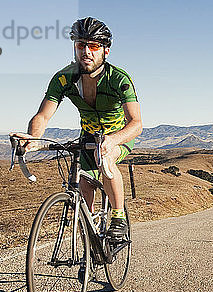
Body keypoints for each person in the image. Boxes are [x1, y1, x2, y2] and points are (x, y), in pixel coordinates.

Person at [16, 17, 142, 241]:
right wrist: (33, 137)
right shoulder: (64, 78)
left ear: (106, 51)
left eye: (94, 46)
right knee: (83, 183)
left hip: (118, 136)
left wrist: (112, 141)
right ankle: (90, 235)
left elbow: (136, 123)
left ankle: (118, 217)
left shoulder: (119, 79)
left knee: (107, 160)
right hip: (88, 136)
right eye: (81, 45)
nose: (87, 51)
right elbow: (43, 115)